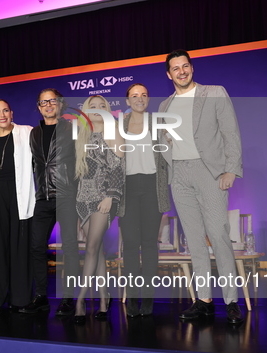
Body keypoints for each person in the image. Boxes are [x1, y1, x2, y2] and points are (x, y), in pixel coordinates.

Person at [159, 50, 244, 324]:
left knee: (218, 235)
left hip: (209, 172)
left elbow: (230, 132)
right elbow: (164, 141)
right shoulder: (164, 106)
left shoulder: (214, 92)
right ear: (168, 74)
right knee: (194, 240)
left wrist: (231, 169)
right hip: (179, 175)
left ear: (192, 69)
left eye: (185, 66)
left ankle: (231, 302)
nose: (181, 71)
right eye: (175, 68)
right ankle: (204, 300)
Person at [19, 89, 80, 315]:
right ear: (38, 106)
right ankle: (41, 296)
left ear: (60, 104)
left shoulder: (72, 129)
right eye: (43, 102)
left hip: (66, 194)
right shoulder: (33, 133)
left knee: (70, 248)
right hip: (42, 197)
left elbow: (83, 161)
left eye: (51, 101)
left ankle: (68, 300)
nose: (47, 105)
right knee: (36, 247)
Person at [119, 83, 171, 318]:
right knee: (130, 245)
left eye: (143, 95)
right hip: (127, 187)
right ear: (127, 101)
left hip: (153, 186)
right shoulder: (119, 124)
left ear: (148, 99)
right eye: (134, 96)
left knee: (150, 244)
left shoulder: (159, 122)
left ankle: (147, 298)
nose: (139, 99)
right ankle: (132, 298)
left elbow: (171, 152)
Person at [74, 95, 125, 324]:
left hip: (103, 199)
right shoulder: (82, 135)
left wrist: (110, 197)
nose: (97, 110)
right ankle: (104, 299)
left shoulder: (113, 132)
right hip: (81, 199)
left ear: (108, 110)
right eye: (92, 107)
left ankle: (81, 299)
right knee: (99, 251)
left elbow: (118, 168)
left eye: (101, 106)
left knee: (91, 247)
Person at [0, 99, 35, 315]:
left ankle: (20, 299)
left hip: (20, 193)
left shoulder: (27, 132)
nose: (2, 114)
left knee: (20, 246)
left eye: (5, 110)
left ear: (12, 113)